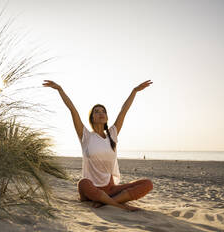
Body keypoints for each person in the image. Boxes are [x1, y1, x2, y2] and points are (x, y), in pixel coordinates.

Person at [43, 79, 153, 211]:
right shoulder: (86, 136)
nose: (101, 113)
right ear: (92, 118)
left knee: (147, 184)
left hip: (111, 189)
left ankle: (105, 202)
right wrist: (60, 90)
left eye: (103, 111)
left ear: (106, 117)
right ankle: (117, 204)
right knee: (83, 183)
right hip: (92, 189)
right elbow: (73, 110)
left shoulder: (112, 134)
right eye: (97, 111)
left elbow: (124, 111)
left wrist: (134, 91)